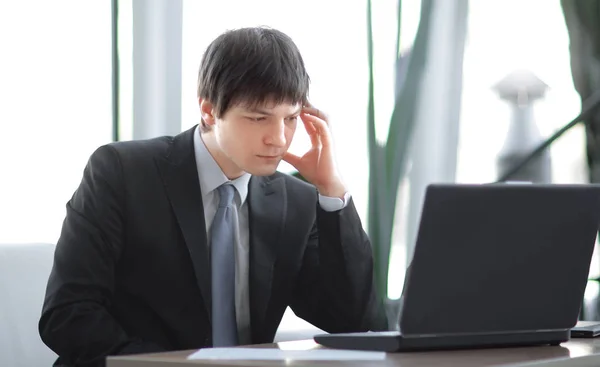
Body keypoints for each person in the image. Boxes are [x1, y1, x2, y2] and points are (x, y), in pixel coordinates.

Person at [39, 26, 387, 367]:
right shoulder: (121, 173)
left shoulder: (295, 201)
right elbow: (67, 315)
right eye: (258, 118)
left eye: (291, 117)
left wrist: (332, 191)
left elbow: (358, 325)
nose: (279, 138)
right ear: (208, 110)